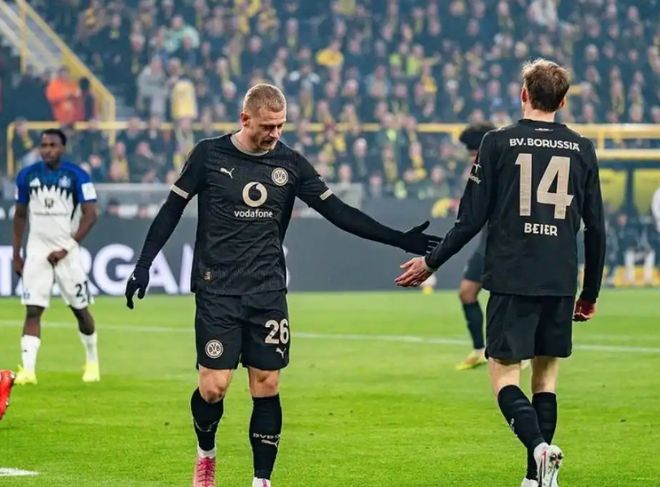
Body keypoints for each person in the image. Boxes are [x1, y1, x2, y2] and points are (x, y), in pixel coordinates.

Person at [124, 83, 441, 487]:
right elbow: (171, 209)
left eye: (280, 126)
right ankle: (206, 454)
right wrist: (144, 263)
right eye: (267, 126)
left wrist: (398, 239)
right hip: (217, 289)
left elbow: (339, 212)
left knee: (268, 383)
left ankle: (262, 480)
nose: (275, 134)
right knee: (214, 388)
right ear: (245, 119)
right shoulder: (208, 155)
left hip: (267, 290)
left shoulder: (291, 164)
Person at [395, 59, 606, 487]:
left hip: (512, 276)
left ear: (523, 94)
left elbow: (470, 220)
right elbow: (597, 228)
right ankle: (537, 479)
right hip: (559, 279)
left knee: (505, 374)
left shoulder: (496, 143)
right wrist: (590, 293)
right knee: (546, 379)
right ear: (563, 101)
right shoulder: (583, 148)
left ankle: (539, 450)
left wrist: (431, 262)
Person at [12, 129, 100, 385]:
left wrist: (67, 248)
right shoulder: (26, 175)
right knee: (33, 309)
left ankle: (92, 361)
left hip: (67, 252)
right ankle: (28, 371)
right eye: (44, 145)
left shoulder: (78, 175)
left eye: (53, 145)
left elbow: (91, 215)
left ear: (63, 148)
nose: (47, 149)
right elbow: (20, 215)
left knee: (80, 310)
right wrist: (17, 253)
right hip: (37, 250)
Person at [454, 122, 494, 370]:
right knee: (467, 292)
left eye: (473, 153)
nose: (470, 158)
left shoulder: (501, 169)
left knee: (506, 298)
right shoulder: (478, 173)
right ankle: (479, 350)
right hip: (486, 243)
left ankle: (518, 353)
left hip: (504, 244)